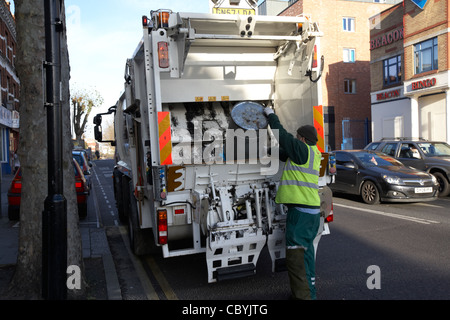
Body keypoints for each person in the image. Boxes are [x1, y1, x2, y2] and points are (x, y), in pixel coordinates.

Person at [264, 107, 321, 300]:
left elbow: (283, 137)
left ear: (303, 139)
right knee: (306, 256)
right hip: (311, 212)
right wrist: (266, 149)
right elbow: (284, 152)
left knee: (295, 257)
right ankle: (308, 293)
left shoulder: (302, 150)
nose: (295, 140)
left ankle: (303, 297)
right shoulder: (311, 153)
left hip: (302, 213)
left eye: (297, 137)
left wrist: (270, 114)